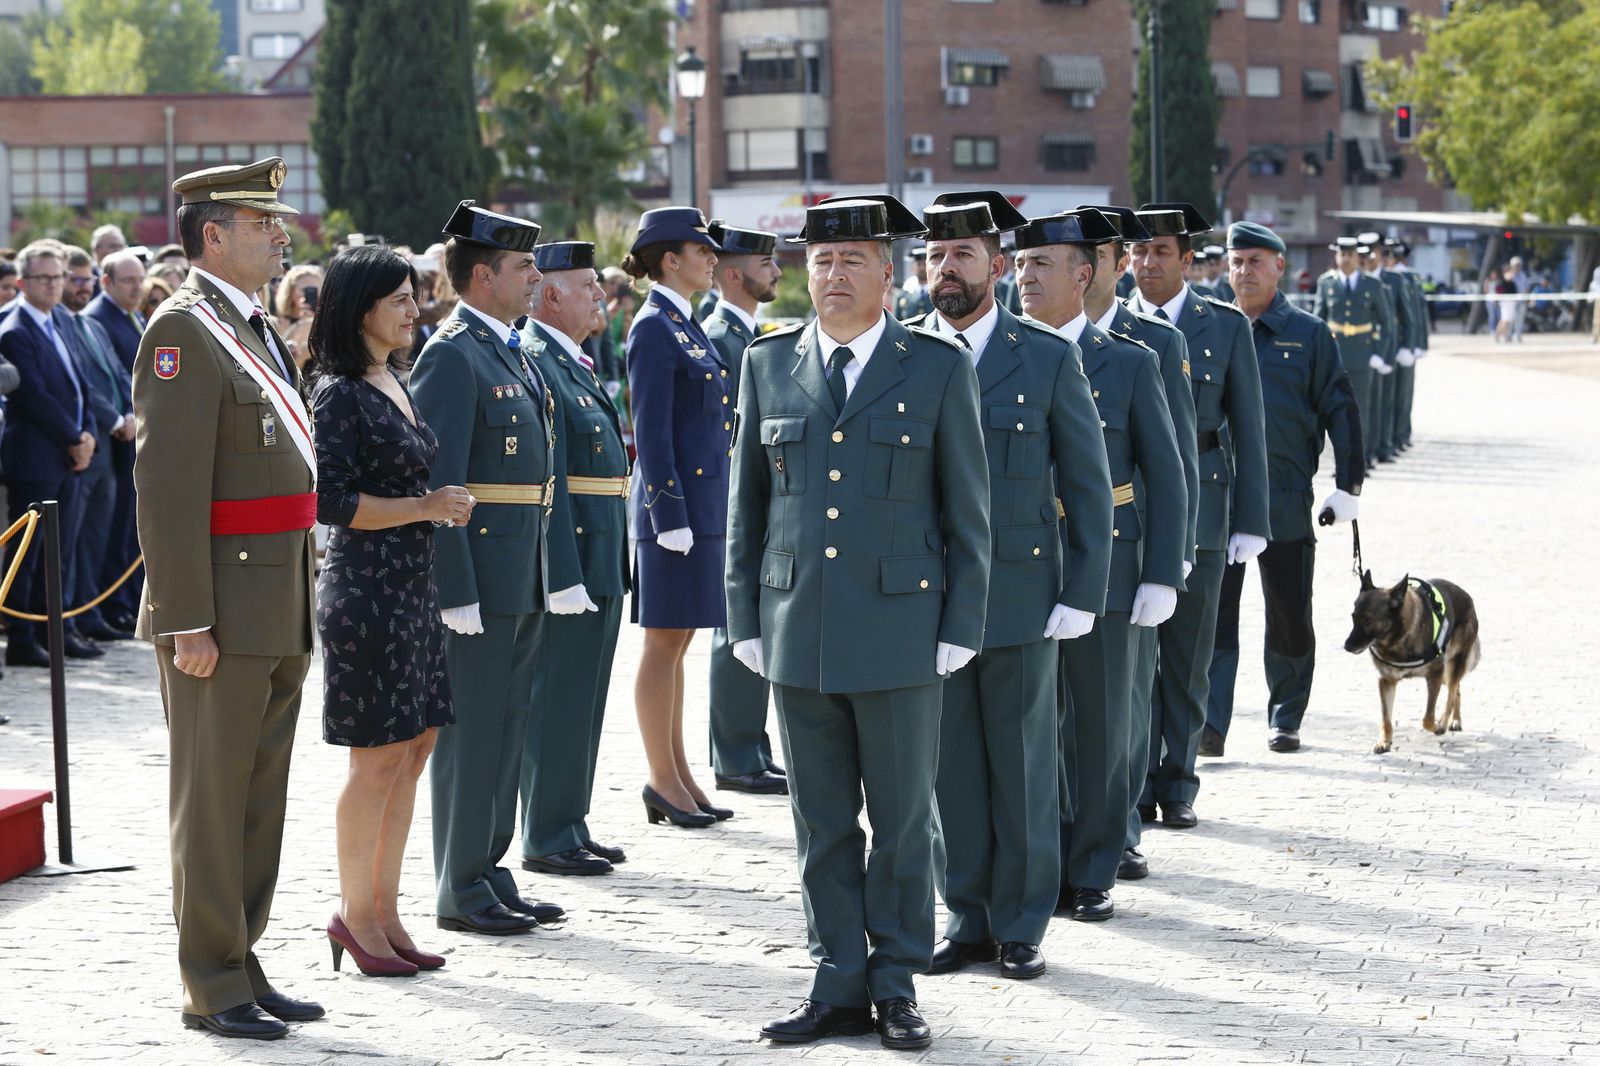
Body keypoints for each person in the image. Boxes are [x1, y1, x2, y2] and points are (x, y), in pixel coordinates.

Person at [727, 194, 990, 1051]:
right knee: (821, 822)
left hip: (902, 630)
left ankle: (897, 979)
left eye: (851, 262)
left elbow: (969, 513)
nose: (833, 276)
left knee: (906, 822)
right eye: (821, 261)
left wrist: (961, 623)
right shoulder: (768, 364)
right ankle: (836, 979)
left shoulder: (936, 368)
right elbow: (748, 509)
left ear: (890, 272)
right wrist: (745, 618)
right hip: (797, 628)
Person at [133, 157, 323, 1039]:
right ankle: (209, 982)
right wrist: (183, 620)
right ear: (214, 234)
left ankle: (241, 957)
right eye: (262, 221)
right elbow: (167, 489)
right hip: (220, 609)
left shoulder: (246, 325)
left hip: (276, 592)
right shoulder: (182, 330)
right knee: (211, 801)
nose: (281, 233)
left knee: (257, 794)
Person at [909, 192, 1110, 977]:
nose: (946, 269)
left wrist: (1084, 588)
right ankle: (967, 916)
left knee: (1024, 764)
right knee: (948, 768)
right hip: (928, 597)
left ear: (996, 266)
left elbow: (1088, 482)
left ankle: (1023, 921)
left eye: (962, 255)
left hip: (1025, 594)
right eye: (934, 256)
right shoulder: (905, 355)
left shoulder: (1048, 356)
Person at [1017, 208, 1185, 923]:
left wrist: (1163, 572)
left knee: (1104, 725)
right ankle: (1044, 862)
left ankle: (1094, 866)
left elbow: (1171, 473)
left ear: (1083, 275)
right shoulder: (1005, 354)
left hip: (1113, 561)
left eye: (1040, 266)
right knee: (1034, 727)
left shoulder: (1131, 361)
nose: (1024, 279)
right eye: (1019, 267)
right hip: (1025, 562)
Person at [308, 244, 467, 977]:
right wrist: (424, 507)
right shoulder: (339, 392)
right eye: (400, 298)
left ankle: (385, 909)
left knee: (414, 749)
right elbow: (330, 502)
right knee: (374, 762)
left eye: (415, 296)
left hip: (409, 586)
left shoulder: (393, 376)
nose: (415, 308)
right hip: (366, 591)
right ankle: (355, 915)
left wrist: (431, 512)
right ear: (361, 307)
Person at [408, 200, 564, 937]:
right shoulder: (452, 351)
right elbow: (437, 478)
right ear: (481, 275)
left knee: (508, 727)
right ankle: (458, 883)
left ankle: (490, 867)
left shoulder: (509, 346)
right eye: (522, 266)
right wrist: (455, 588)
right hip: (481, 576)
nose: (535, 277)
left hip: (520, 568)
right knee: (473, 735)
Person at [1206, 222, 1364, 754]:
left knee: (1290, 614)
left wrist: (1348, 486)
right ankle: (1209, 723)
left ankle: (1286, 714)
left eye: (1255, 261)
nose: (1244, 271)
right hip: (1219, 500)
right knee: (1213, 617)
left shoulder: (1309, 333)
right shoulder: (1211, 329)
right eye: (1237, 262)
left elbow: (1341, 409)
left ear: (1280, 267)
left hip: (1285, 499)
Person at [1130, 203, 1270, 796]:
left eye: (1160, 251)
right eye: (1137, 251)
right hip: (1129, 505)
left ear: (1187, 260)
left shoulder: (1225, 324)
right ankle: (1132, 783)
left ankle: (1179, 779)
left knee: (1188, 655)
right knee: (1134, 663)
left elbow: (1249, 426)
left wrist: (1251, 519)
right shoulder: (1111, 324)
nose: (1146, 262)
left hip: (1206, 504)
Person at [1079, 205, 1199, 883]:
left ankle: (1121, 827)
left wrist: (1168, 557)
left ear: (1116, 265)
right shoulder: (1030, 336)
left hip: (1127, 544)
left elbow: (1174, 459)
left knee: (1122, 705)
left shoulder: (1152, 343)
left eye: (1098, 255)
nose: (1085, 267)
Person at [517, 240, 632, 876]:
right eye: (588, 286)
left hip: (602, 548)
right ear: (552, 295)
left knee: (585, 697)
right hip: (576, 556)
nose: (600, 296)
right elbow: (552, 480)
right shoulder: (539, 360)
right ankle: (547, 830)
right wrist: (561, 573)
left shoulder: (572, 361)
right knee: (559, 695)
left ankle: (571, 819)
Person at [623, 207, 732, 829]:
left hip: (703, 506)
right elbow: (652, 431)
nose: (711, 258)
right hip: (676, 511)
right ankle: (662, 779)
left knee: (681, 640)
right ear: (671, 258)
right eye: (702, 249)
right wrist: (668, 512)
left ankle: (680, 773)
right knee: (663, 642)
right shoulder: (653, 328)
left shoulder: (681, 323)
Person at [701, 220, 787, 796]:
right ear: (734, 273)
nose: (777, 271)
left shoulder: (747, 335)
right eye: (765, 263)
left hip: (753, 496)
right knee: (735, 629)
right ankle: (734, 754)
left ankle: (749, 746)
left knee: (753, 625)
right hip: (733, 499)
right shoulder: (719, 336)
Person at [1, 240, 100, 668]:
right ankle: (22, 636)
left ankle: (52, 629)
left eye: (58, 276)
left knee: (58, 552)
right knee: (27, 552)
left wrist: (89, 434)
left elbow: (81, 385)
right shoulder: (15, 329)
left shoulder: (58, 321)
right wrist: (74, 437)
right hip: (37, 455)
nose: (54, 285)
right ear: (22, 282)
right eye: (44, 278)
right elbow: (34, 397)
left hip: (69, 452)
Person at [59, 244, 135, 645]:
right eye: (72, 279)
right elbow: (84, 386)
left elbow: (121, 375)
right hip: (86, 445)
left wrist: (129, 412)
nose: (80, 286)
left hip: (108, 448)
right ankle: (71, 616)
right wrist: (115, 419)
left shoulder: (91, 326)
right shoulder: (67, 323)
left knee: (97, 537)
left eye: (84, 278)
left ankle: (89, 611)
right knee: (70, 542)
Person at [84, 247, 148, 634]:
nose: (138, 287)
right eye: (128, 281)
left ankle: (123, 603)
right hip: (117, 437)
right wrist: (124, 415)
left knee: (130, 526)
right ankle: (111, 604)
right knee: (115, 528)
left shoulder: (131, 316)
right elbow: (105, 379)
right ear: (106, 282)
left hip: (135, 431)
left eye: (141, 279)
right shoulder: (98, 319)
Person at [1314, 237, 1389, 476]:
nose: (1345, 258)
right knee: (1336, 410)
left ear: (1358, 257)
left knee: (1360, 410)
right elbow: (1318, 322)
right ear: (1336, 257)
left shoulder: (1372, 285)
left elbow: (1386, 323)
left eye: (1350, 254)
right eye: (1341, 254)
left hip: (1362, 355)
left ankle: (1360, 461)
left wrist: (1378, 353)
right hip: (1335, 356)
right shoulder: (1326, 283)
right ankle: (1341, 463)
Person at [273, 264, 322, 371]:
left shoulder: (326, 323)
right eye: (304, 289)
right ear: (290, 292)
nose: (309, 294)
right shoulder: (277, 325)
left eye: (314, 289)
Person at [892, 246, 932, 320]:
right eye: (918, 264)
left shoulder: (939, 293)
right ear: (912, 268)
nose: (922, 268)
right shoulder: (903, 296)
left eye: (925, 264)